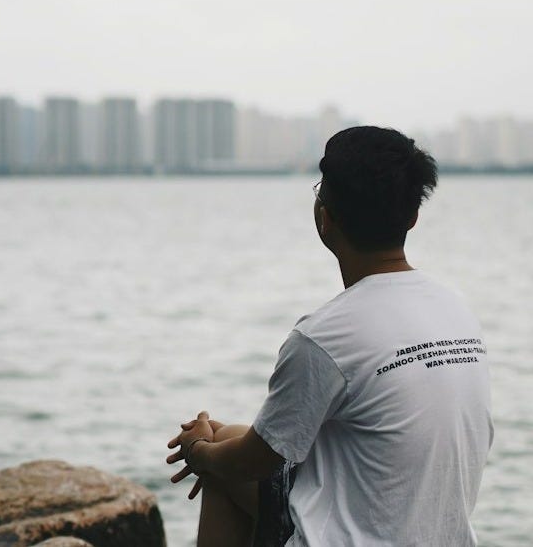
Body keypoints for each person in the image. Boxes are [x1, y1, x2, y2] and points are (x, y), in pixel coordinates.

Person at [166, 126, 493, 546]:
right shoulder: (457, 311)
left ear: (325, 215)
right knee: (229, 440)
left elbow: (252, 462)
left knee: (222, 459)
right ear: (413, 216)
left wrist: (198, 452)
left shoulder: (323, 338)